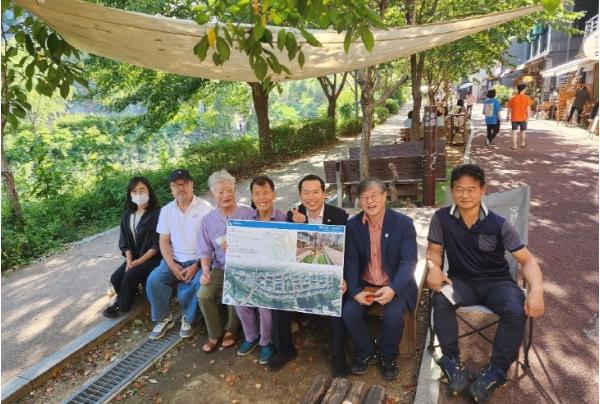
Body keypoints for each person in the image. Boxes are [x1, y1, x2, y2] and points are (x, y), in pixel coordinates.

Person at [426, 164, 544, 403]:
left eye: (471, 189)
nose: (465, 195)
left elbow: (527, 260)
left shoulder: (499, 223)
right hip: (461, 283)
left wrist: (536, 291)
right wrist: (434, 268)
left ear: (482, 190)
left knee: (515, 309)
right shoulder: (441, 218)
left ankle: (496, 371)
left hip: (498, 284)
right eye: (459, 189)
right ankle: (451, 361)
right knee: (441, 297)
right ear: (452, 191)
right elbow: (434, 251)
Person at [267, 174, 350, 377]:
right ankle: (285, 349)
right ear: (300, 195)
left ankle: (338, 356)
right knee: (278, 297)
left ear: (324, 193)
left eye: (315, 192)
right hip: (301, 273)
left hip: (330, 273)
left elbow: (345, 251)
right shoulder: (293, 215)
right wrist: (298, 227)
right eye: (306, 192)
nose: (311, 197)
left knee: (338, 299)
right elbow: (289, 251)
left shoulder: (339, 216)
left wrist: (344, 277)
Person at [342, 179, 418, 381]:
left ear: (385, 196)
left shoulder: (403, 224)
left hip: (394, 284)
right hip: (366, 284)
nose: (370, 201)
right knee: (349, 312)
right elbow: (351, 260)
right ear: (359, 201)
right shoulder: (353, 226)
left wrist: (393, 288)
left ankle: (387, 355)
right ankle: (367, 350)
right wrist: (355, 291)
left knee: (394, 317)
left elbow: (409, 261)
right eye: (365, 197)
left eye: (374, 195)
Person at [146, 169, 213, 339]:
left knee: (198, 283)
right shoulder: (166, 210)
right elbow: (163, 241)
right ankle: (164, 317)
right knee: (154, 280)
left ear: (192, 185)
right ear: (171, 188)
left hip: (199, 260)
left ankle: (188, 318)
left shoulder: (205, 208)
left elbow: (212, 242)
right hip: (175, 259)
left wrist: (196, 265)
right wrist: (172, 265)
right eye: (175, 185)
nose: (180, 188)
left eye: (184, 184)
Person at [198, 169, 254, 353]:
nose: (226, 195)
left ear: (235, 190)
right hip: (220, 267)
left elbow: (258, 243)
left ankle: (231, 330)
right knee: (203, 294)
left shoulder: (248, 213)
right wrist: (205, 271)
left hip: (243, 267)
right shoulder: (208, 220)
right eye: (220, 192)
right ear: (212, 194)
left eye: (229, 190)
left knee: (233, 288)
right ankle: (214, 333)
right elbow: (205, 250)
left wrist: (240, 245)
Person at [234, 176, 286, 365]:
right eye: (257, 194)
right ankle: (251, 336)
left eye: (265, 193)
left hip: (276, 274)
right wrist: (231, 245)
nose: (262, 198)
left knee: (264, 304)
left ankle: (266, 342)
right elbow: (241, 249)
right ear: (252, 197)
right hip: (252, 272)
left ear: (273, 194)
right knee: (239, 299)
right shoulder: (246, 219)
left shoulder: (284, 218)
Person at [103, 176, 162, 318]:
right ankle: (132, 292)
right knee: (116, 278)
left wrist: (139, 261)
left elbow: (157, 244)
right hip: (135, 257)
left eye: (142, 190)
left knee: (131, 274)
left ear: (149, 191)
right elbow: (125, 241)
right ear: (130, 194)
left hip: (154, 257)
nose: (138, 194)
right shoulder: (127, 215)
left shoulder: (158, 213)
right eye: (134, 191)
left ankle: (122, 306)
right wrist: (129, 260)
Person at [507, 83, 531, 149]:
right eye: (525, 89)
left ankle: (514, 146)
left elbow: (509, 108)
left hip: (514, 117)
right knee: (523, 131)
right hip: (523, 118)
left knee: (514, 132)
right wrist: (528, 117)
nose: (526, 90)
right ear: (523, 89)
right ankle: (523, 143)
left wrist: (507, 116)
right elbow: (528, 109)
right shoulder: (527, 98)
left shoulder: (513, 98)